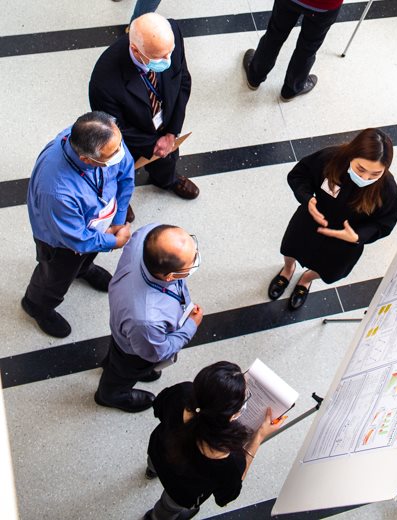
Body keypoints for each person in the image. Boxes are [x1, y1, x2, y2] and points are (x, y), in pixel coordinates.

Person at [23, 111, 134, 338]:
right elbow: (76, 238)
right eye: (113, 153)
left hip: (98, 224)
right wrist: (114, 241)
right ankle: (37, 304)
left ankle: (83, 269)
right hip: (61, 242)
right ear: (87, 160)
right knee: (54, 276)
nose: (121, 154)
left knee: (86, 255)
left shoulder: (108, 140)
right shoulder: (56, 190)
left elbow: (126, 175)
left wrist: (119, 220)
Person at [269, 128, 397, 309]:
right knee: (291, 248)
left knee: (327, 268)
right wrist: (307, 199)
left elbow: (385, 223)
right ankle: (288, 270)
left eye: (375, 174)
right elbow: (299, 174)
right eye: (360, 169)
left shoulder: (387, 188)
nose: (365, 177)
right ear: (352, 155)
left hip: (345, 242)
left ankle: (306, 279)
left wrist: (357, 236)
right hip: (310, 222)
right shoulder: (330, 158)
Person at [144, 361, 282, 519]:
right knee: (168, 507)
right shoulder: (229, 460)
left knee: (154, 464)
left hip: (158, 451)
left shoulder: (182, 392)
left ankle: (151, 471)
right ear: (231, 415)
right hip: (181, 490)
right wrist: (258, 437)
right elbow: (226, 496)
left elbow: (158, 407)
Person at [89, 13, 199, 200]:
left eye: (170, 52)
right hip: (130, 140)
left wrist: (172, 132)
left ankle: (167, 180)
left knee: (166, 159)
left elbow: (183, 81)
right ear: (136, 50)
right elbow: (114, 129)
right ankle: (119, 200)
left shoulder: (169, 35)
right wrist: (153, 145)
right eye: (159, 57)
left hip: (164, 126)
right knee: (119, 171)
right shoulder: (104, 81)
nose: (168, 59)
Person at [95, 223, 203, 413]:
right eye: (190, 263)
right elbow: (155, 352)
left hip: (126, 329)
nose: (196, 258)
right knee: (124, 370)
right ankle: (111, 395)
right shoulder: (146, 320)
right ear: (169, 276)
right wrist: (190, 327)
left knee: (116, 356)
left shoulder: (147, 236)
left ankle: (112, 366)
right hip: (135, 352)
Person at [242, 0, 343, 101]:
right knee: (308, 47)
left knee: (275, 34)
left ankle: (255, 76)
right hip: (325, 5)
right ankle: (291, 89)